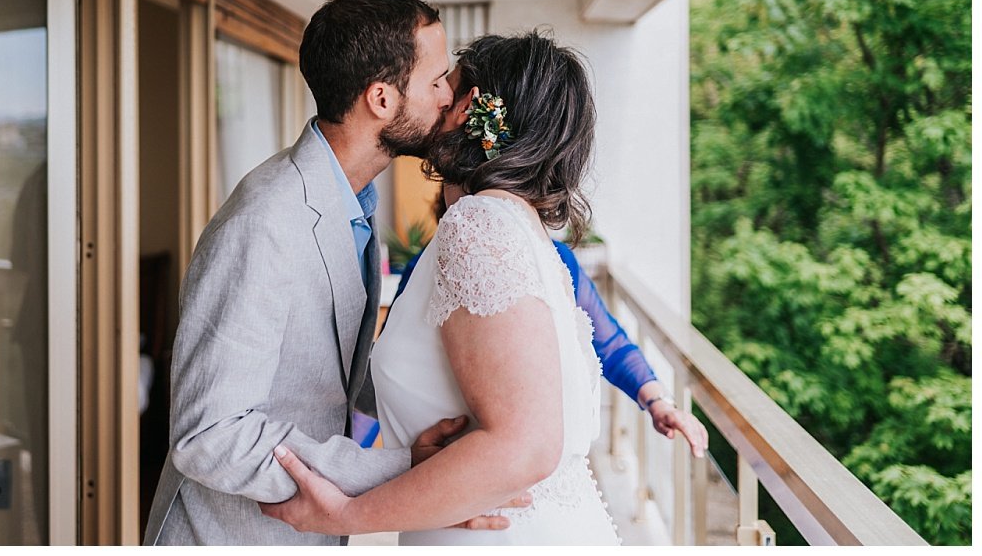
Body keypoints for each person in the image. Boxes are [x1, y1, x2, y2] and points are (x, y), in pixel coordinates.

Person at [262, 31, 705, 543]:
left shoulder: (478, 225)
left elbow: (525, 447)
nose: (436, 97)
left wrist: (344, 515)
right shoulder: (518, 227)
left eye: (442, 84)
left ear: (469, 104)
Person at [142, 0, 525, 546]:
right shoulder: (265, 222)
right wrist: (411, 478)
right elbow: (210, 435)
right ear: (381, 99)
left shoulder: (354, 202)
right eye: (437, 80)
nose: (450, 97)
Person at [395, 198, 708, 456]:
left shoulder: (556, 260)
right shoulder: (420, 271)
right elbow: (394, 371)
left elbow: (608, 344)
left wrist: (658, 401)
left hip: (530, 459)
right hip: (449, 461)